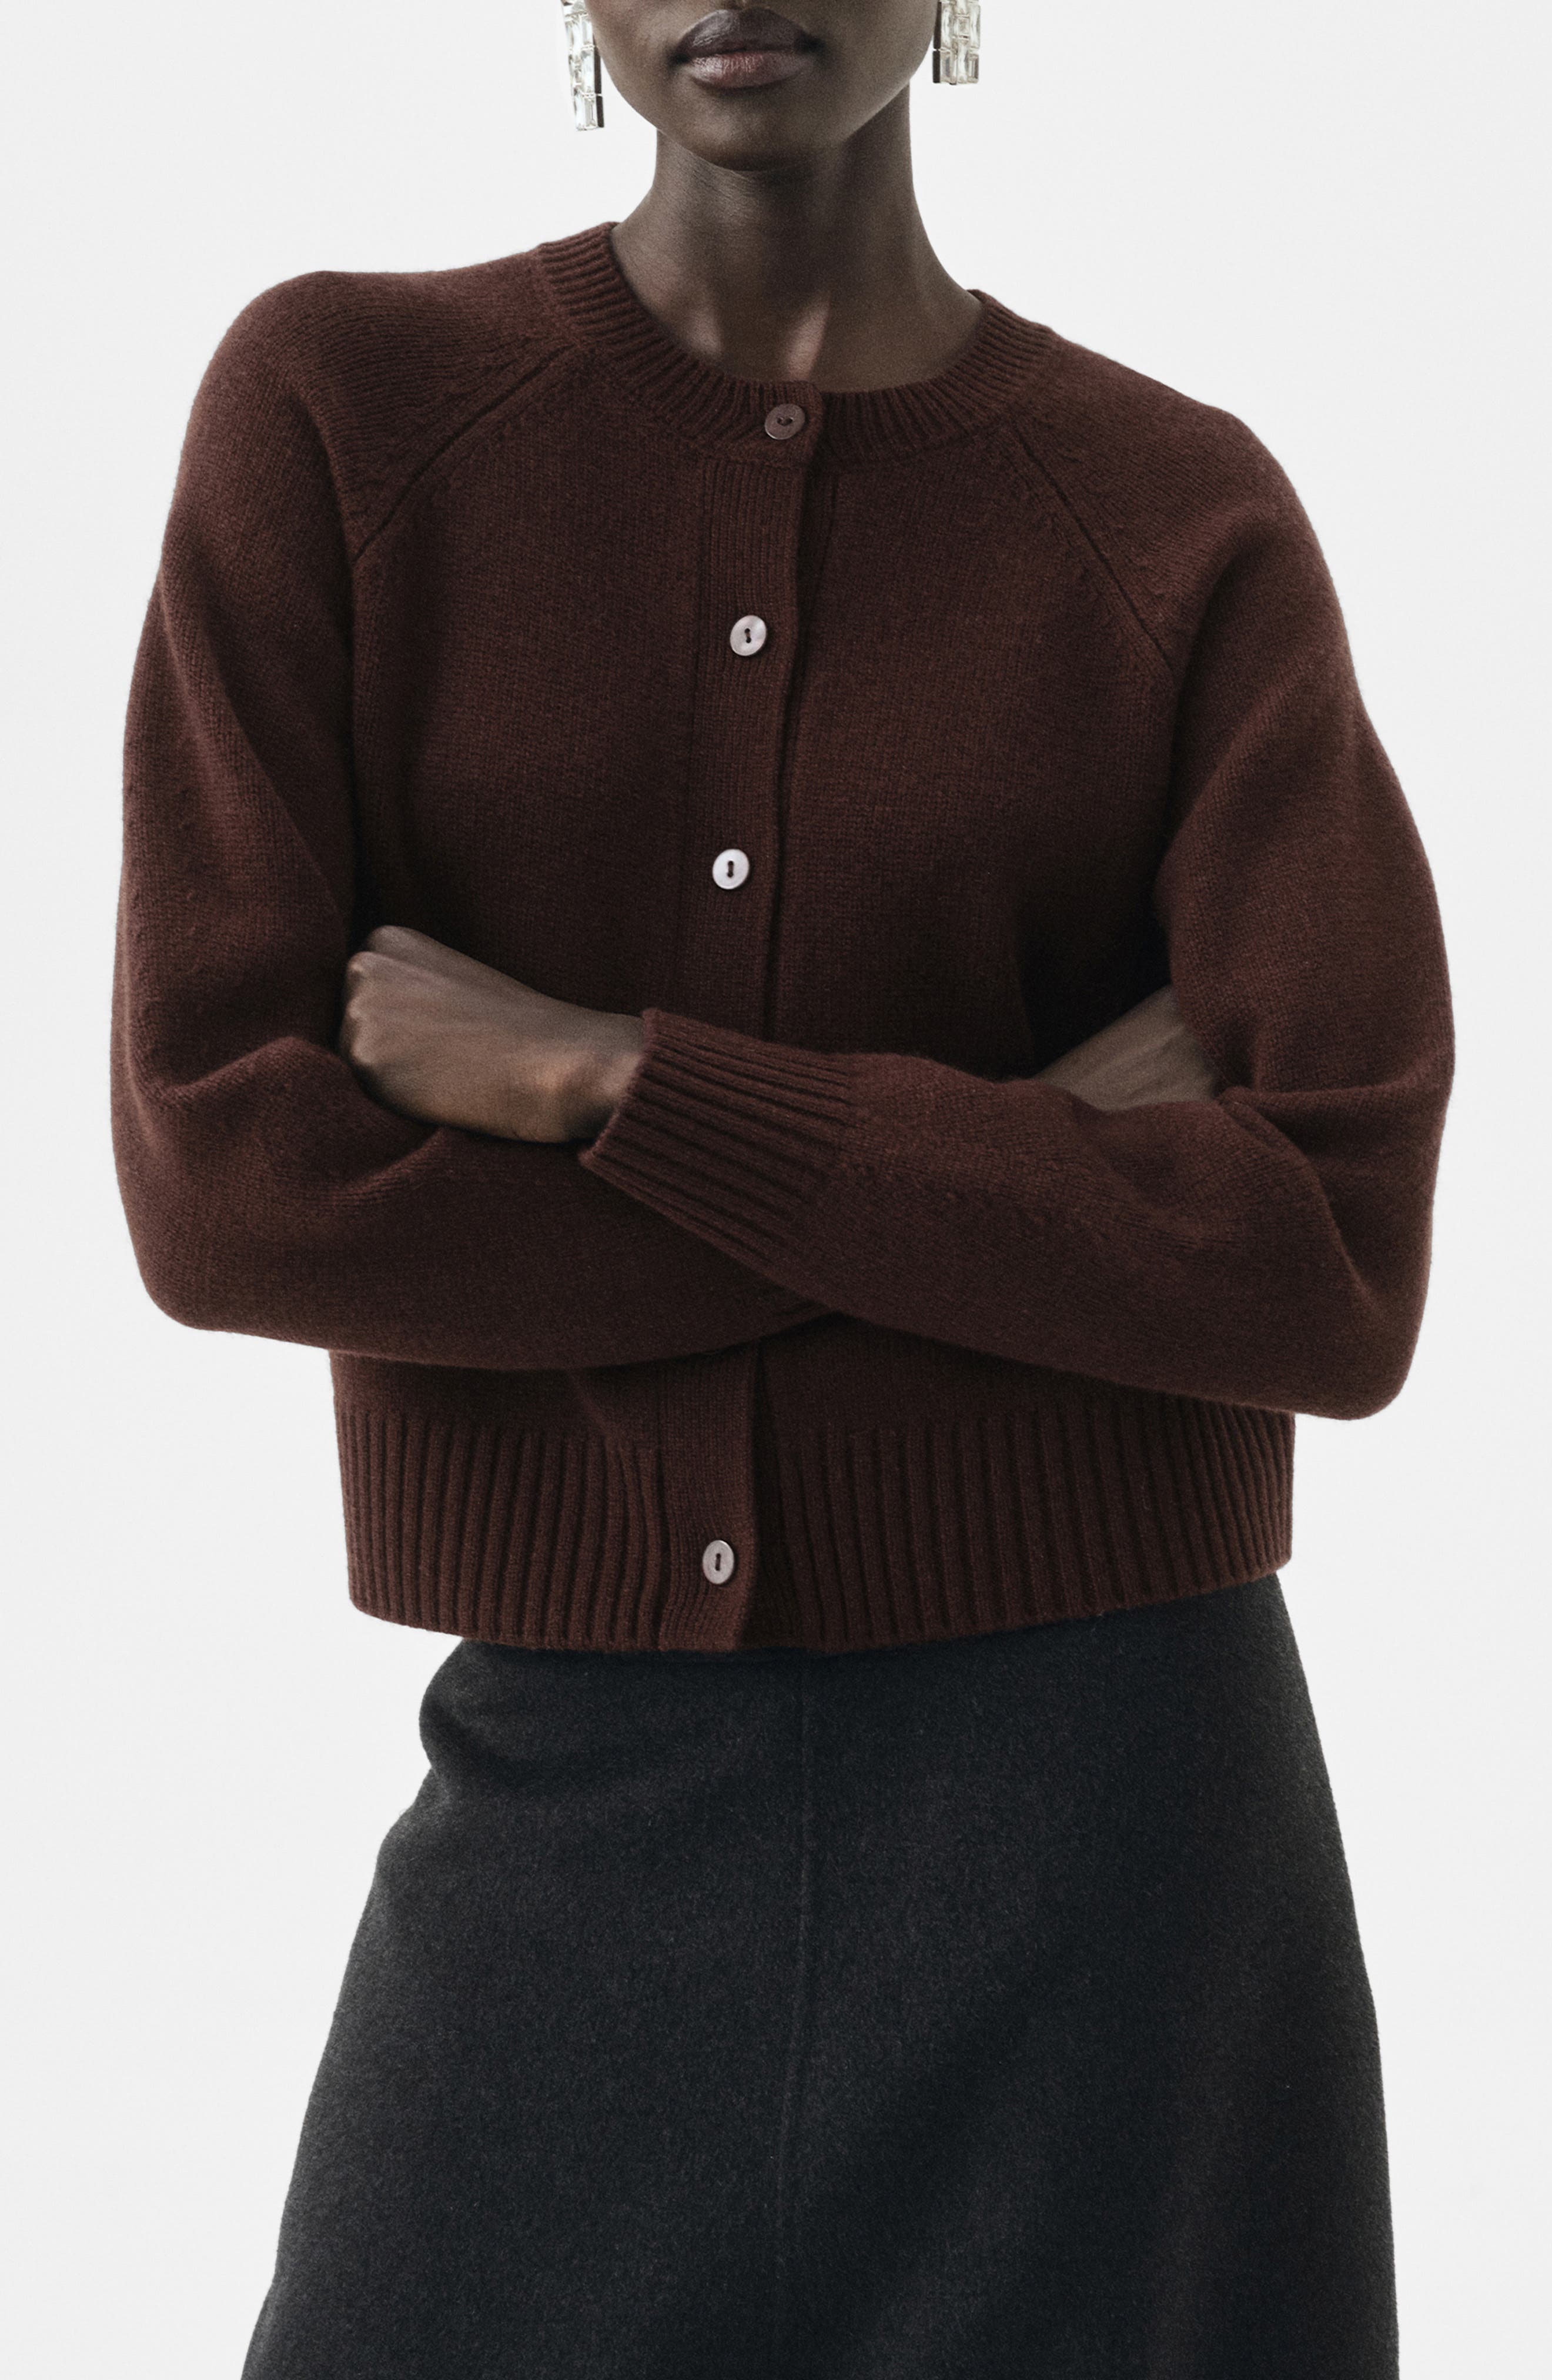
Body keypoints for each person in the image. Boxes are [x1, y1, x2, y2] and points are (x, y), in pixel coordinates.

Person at [110, 4, 1453, 2373]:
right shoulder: (343, 417)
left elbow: (1330, 1262)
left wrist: (604, 1077)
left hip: (1114, 1855)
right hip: (573, 1797)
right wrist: (1025, 1166)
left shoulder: (1174, 519)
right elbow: (236, 1186)